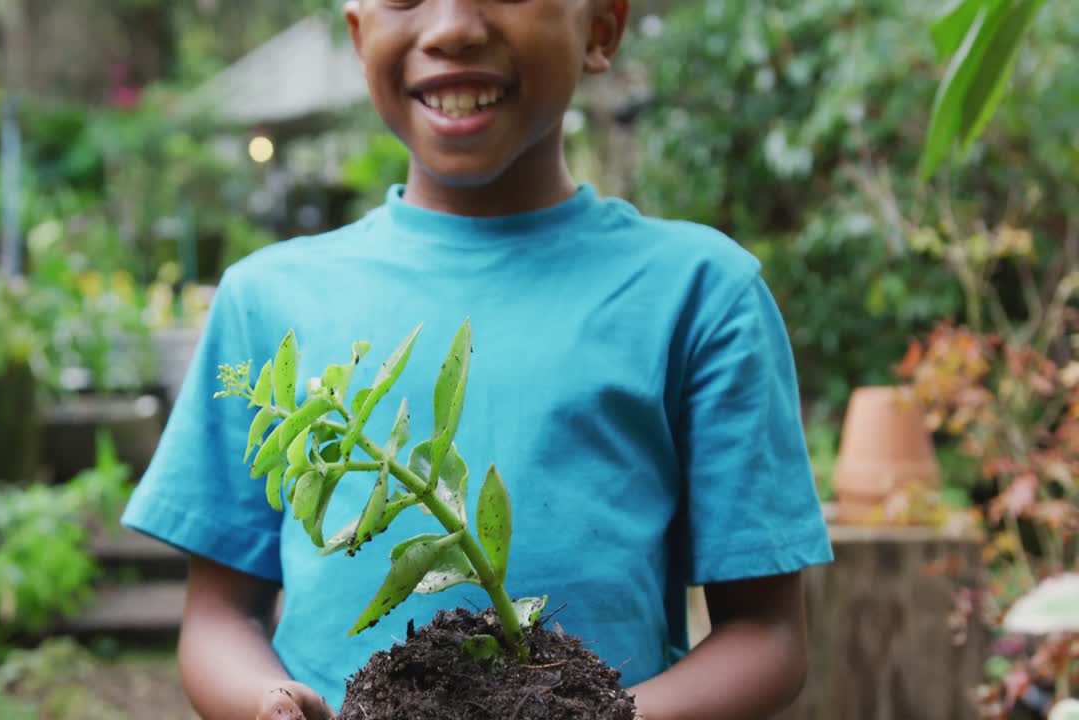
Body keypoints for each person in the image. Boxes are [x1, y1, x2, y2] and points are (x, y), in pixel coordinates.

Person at [120, 0, 834, 718]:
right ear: (358, 31)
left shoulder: (701, 293)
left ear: (602, 29)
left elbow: (767, 632)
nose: (453, 26)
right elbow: (218, 617)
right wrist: (264, 704)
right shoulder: (265, 300)